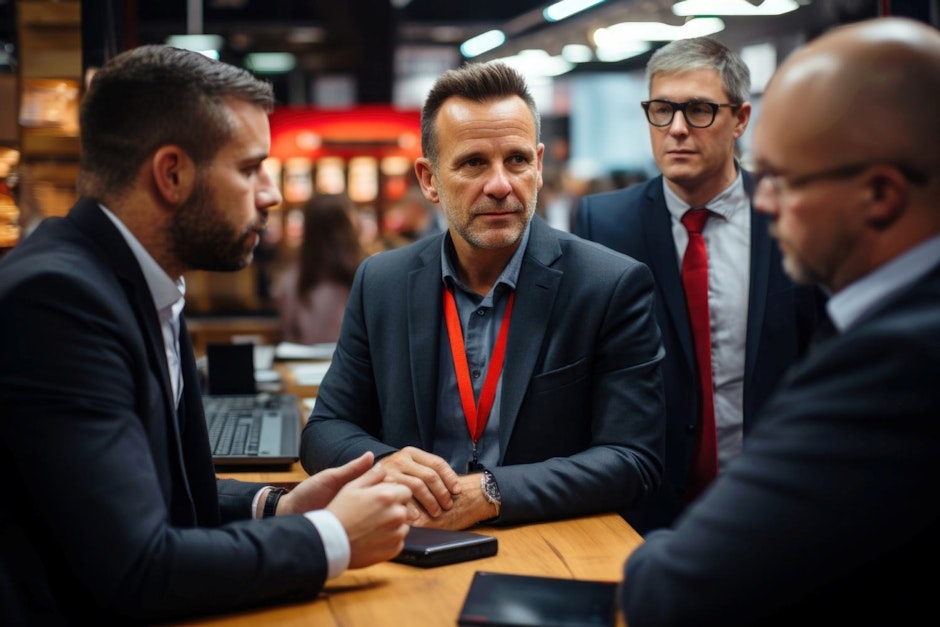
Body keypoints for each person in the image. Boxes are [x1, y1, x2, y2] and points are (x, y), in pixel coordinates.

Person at [0, 45, 414, 625]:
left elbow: (149, 489)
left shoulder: (133, 280)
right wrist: (332, 537)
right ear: (172, 174)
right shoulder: (58, 303)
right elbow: (137, 568)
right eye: (249, 169)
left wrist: (279, 504)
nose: (270, 194)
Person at [620, 16, 940, 626]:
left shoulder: (897, 360)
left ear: (881, 195)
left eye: (786, 180)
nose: (762, 203)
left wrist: (652, 556)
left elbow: (675, 589)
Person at [300, 61, 666, 530]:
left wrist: (492, 491)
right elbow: (325, 430)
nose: (499, 185)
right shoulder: (383, 282)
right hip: (410, 540)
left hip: (547, 543)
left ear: (537, 166)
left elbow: (633, 458)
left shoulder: (607, 285)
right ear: (429, 179)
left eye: (516, 160)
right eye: (474, 163)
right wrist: (385, 464)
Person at [573, 36, 822, 533]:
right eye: (662, 110)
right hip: (645, 508)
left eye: (700, 111)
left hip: (775, 502)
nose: (678, 129)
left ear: (741, 120)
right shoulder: (604, 222)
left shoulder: (793, 216)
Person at [274, 193, 364, 345]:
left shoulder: (289, 280)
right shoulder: (363, 277)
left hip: (301, 364)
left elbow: (289, 334)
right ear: (346, 229)